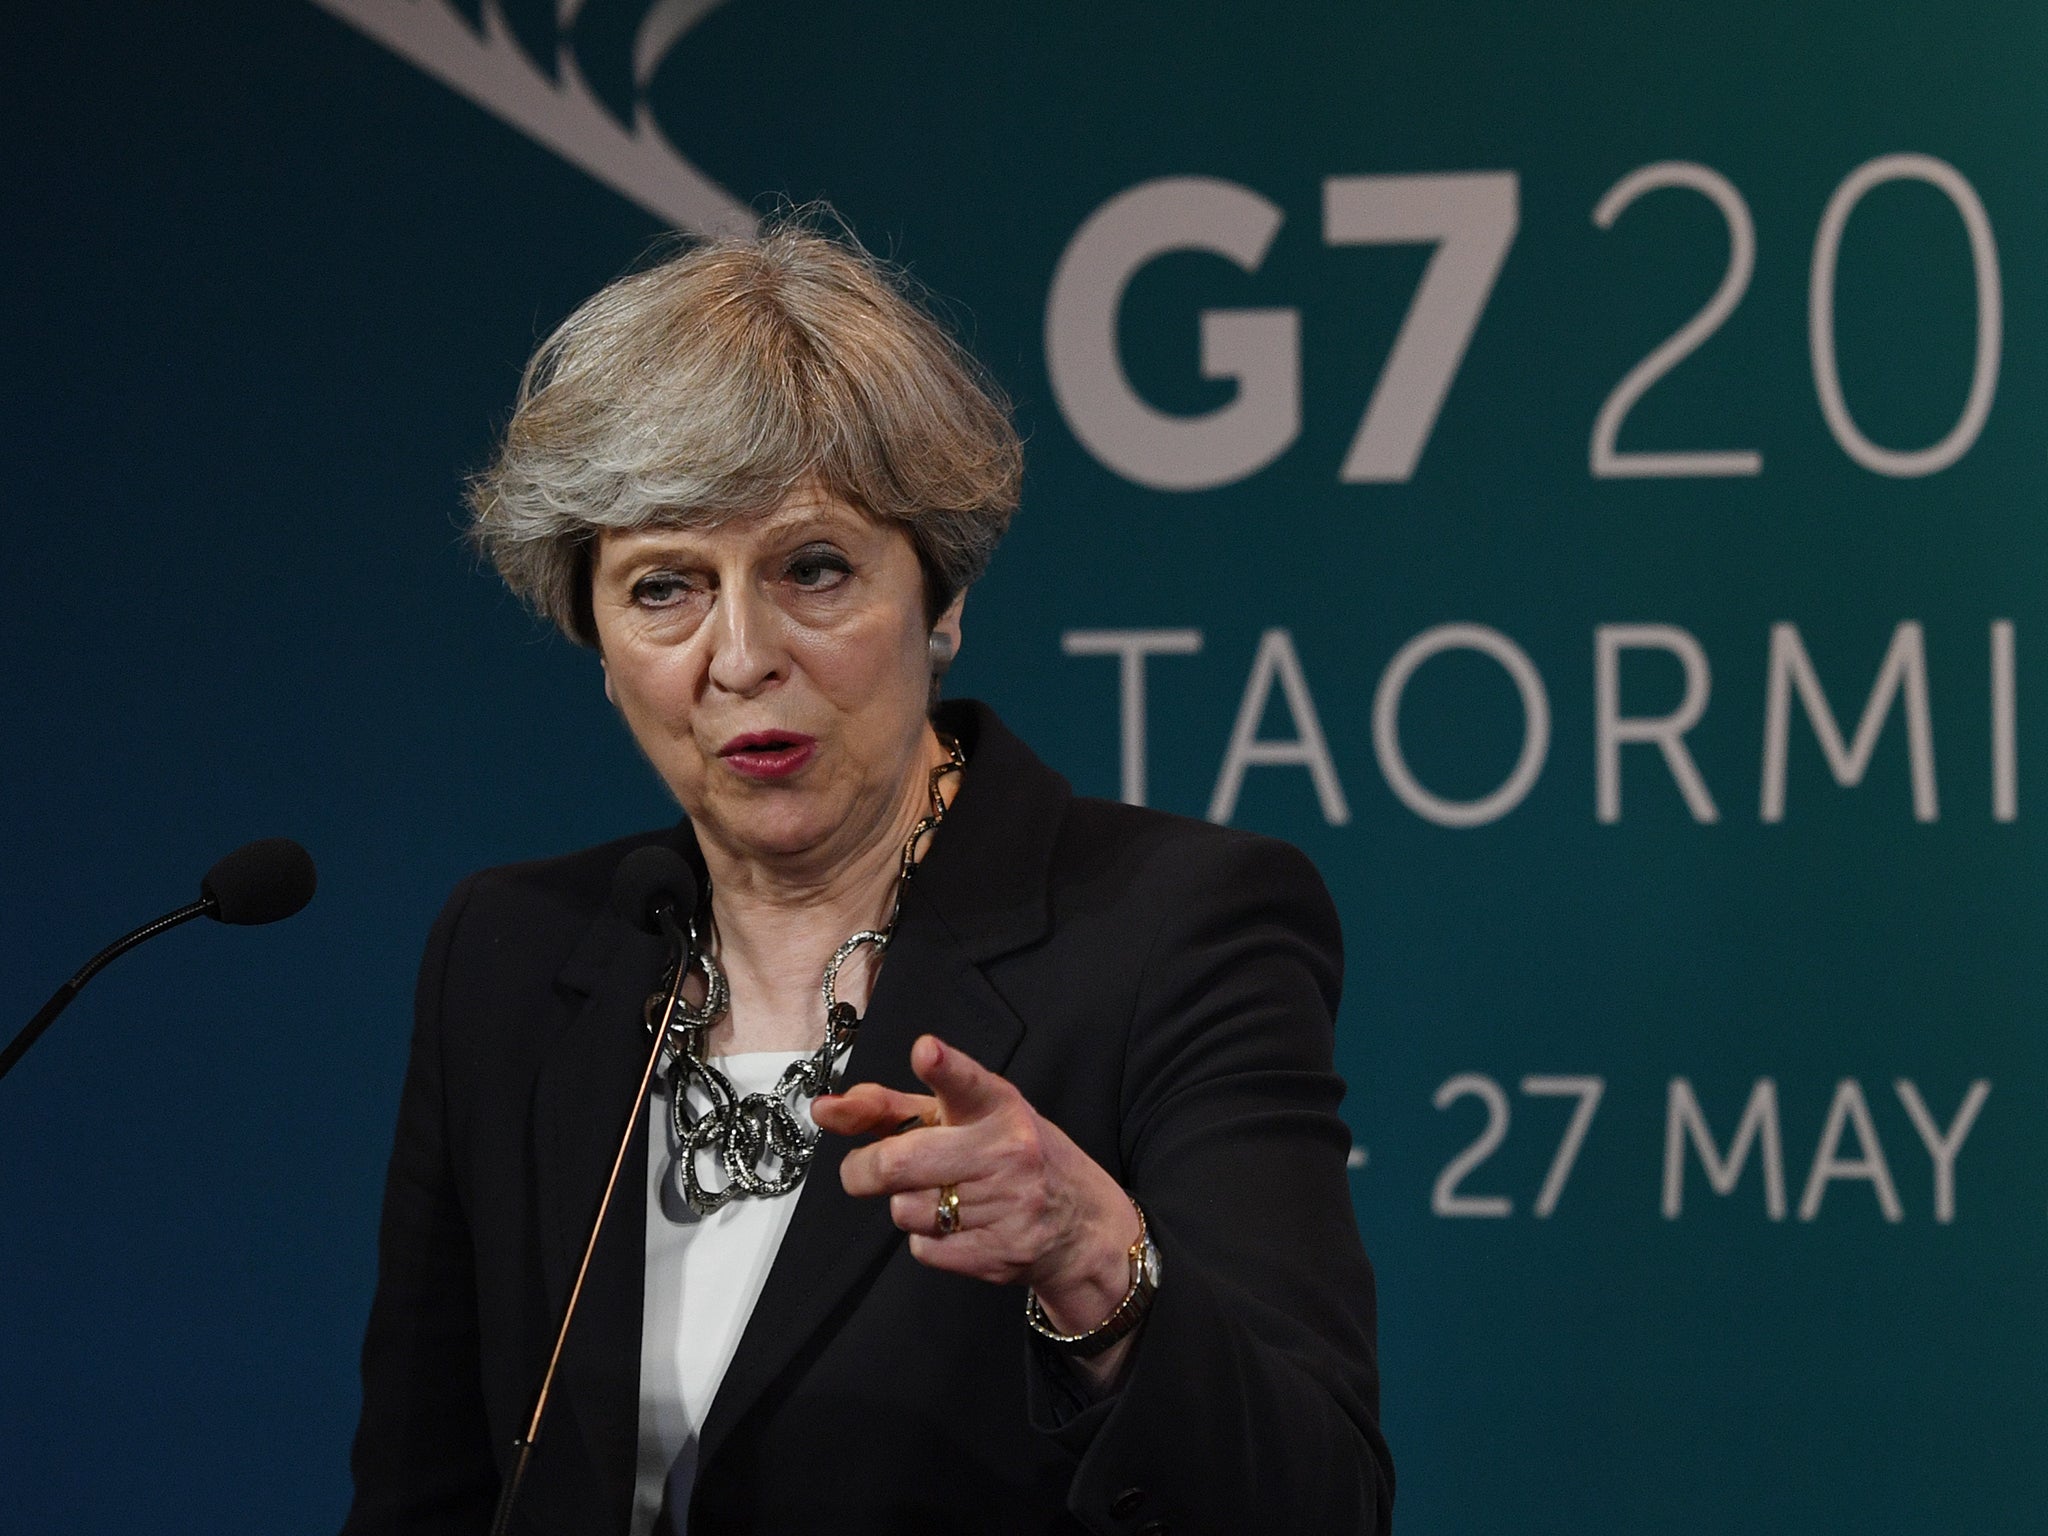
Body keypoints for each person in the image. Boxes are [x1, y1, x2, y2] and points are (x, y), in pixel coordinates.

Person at [341, 216, 1393, 1535]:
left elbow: (1322, 1504)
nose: (739, 655)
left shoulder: (1175, 930)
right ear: (594, 637)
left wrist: (1093, 1264)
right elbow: (421, 1494)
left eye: (815, 568)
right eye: (664, 588)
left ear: (939, 599)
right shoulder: (510, 954)